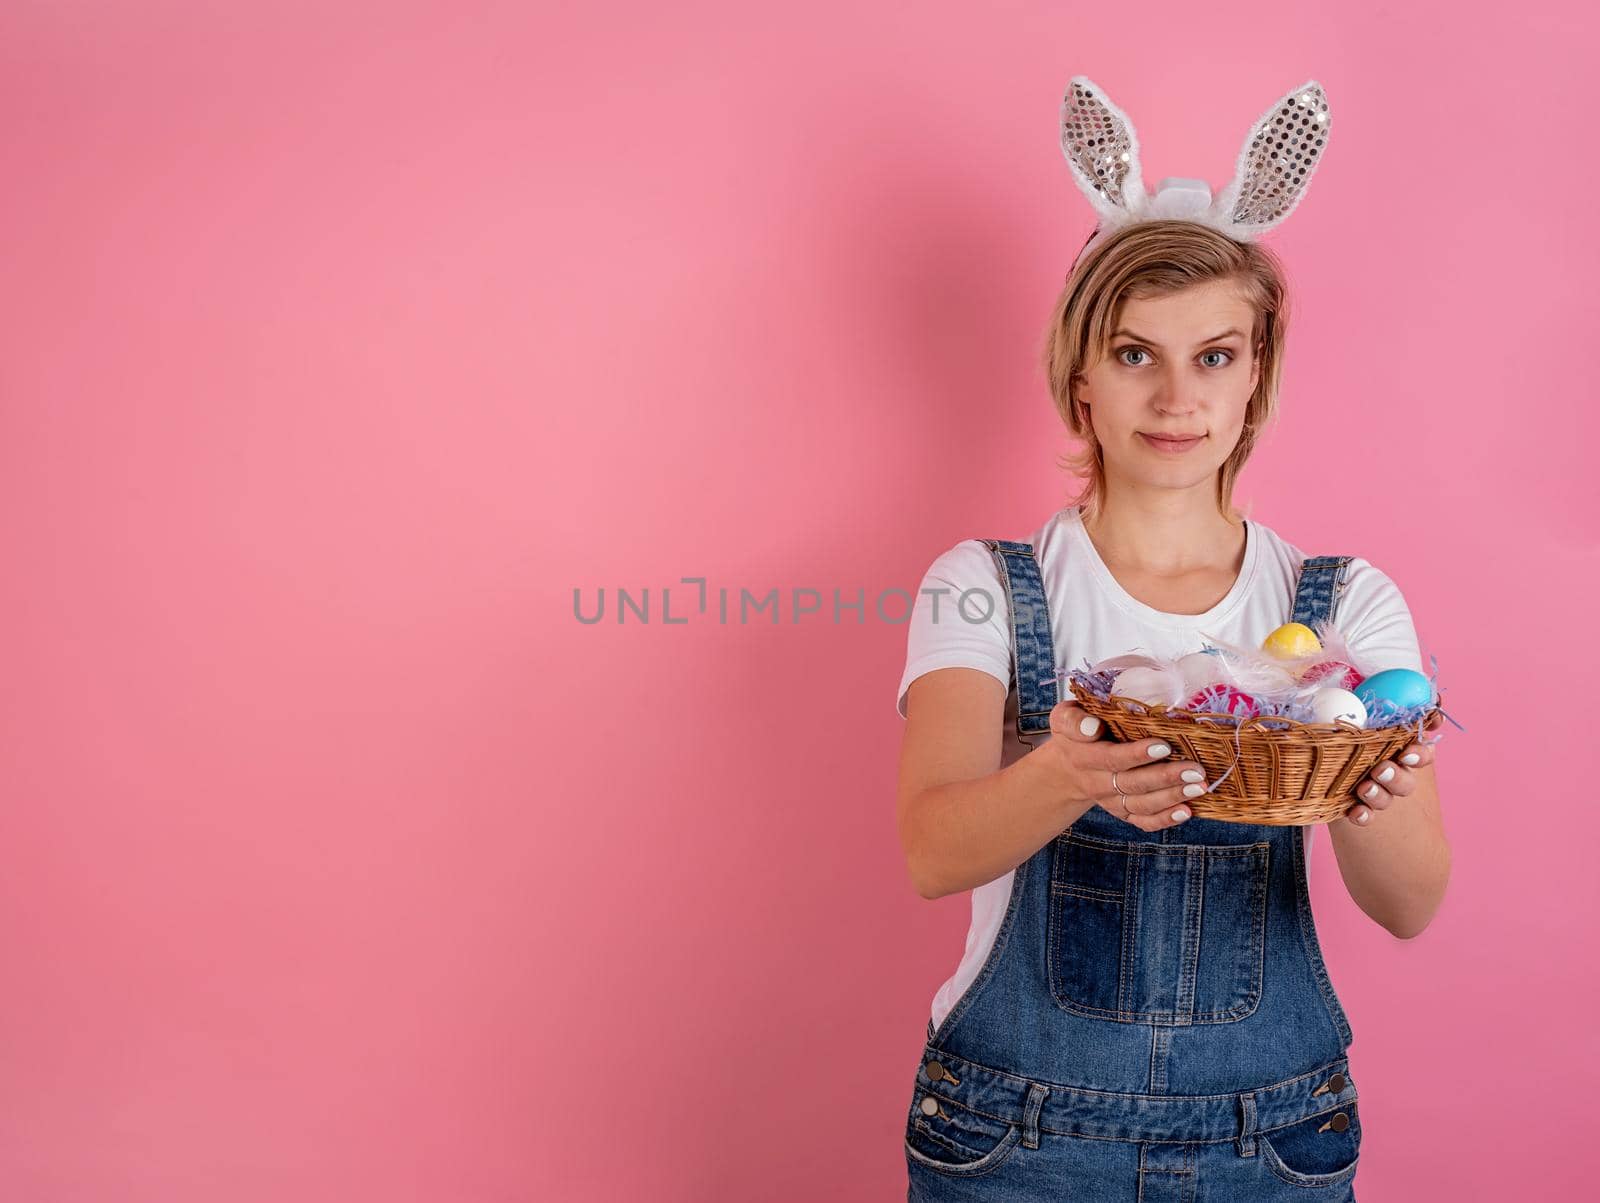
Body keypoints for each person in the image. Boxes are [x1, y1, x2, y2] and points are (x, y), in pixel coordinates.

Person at [894, 77, 1450, 1201]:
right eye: (1135, 353)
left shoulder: (1344, 606)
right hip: (1015, 1138)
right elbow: (932, 849)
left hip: (1273, 1138)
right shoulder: (984, 589)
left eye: (1214, 356)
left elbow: (1410, 905)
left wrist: (1366, 784)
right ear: (1080, 374)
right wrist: (1064, 771)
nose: (1174, 397)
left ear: (1255, 377)